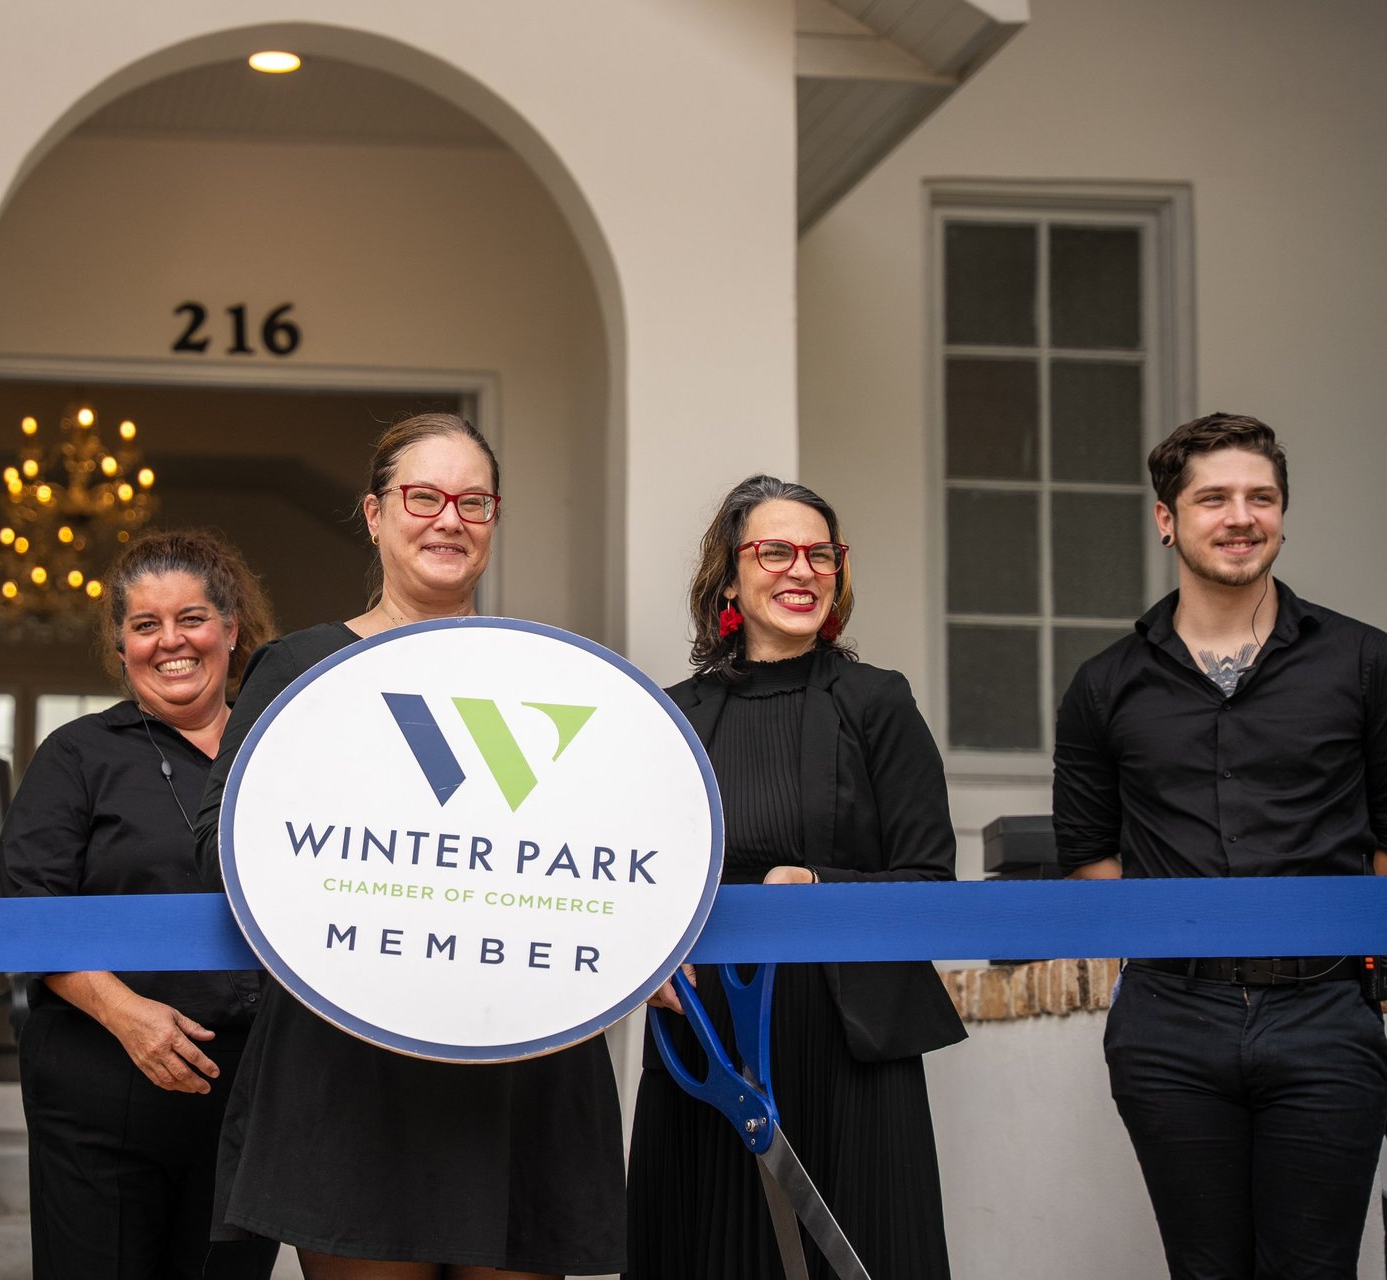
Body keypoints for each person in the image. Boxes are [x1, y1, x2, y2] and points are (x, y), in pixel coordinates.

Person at [192, 413, 626, 1280]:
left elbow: (610, 853)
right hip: (352, 1067)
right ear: (375, 513)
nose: (448, 519)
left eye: (473, 501)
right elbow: (221, 850)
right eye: (422, 496)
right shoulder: (298, 671)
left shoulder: (553, 680)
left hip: (519, 1063)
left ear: (494, 520)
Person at [1053, 412, 1387, 1280]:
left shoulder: (1364, 663)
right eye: (1215, 499)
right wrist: (1160, 976)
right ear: (1167, 519)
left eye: (1261, 497)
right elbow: (1092, 857)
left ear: (1281, 512)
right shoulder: (1103, 686)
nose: (1241, 516)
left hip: (1328, 1018)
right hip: (1170, 1022)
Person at [626, 474, 967, 1280]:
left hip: (847, 1048)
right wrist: (645, 965)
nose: (802, 569)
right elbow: (633, 890)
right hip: (707, 1047)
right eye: (775, 551)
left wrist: (820, 885)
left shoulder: (879, 703)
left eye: (821, 553)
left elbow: (930, 882)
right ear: (730, 576)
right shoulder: (671, 716)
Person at [0, 529, 280, 1280]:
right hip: (103, 1080)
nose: (170, 641)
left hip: (251, 1093)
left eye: (191, 617)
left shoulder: (285, 753)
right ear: (121, 647)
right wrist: (129, 1016)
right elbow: (28, 914)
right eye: (144, 625)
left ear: (231, 629)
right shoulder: (76, 755)